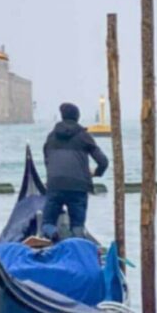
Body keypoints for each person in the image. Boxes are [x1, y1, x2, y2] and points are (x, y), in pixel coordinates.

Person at [41, 102, 109, 240]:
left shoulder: (51, 137)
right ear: (77, 118)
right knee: (77, 226)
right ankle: (76, 242)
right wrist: (95, 173)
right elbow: (103, 162)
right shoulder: (84, 136)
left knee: (47, 224)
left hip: (55, 185)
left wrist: (52, 178)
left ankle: (55, 235)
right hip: (78, 187)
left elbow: (47, 161)